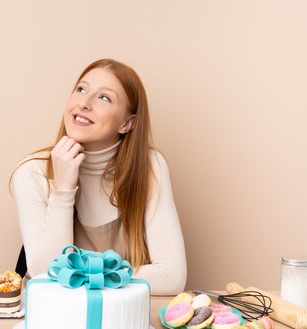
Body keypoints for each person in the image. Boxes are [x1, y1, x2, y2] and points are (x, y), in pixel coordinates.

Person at [10, 59, 186, 295]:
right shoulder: (31, 172)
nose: (83, 103)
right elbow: (46, 276)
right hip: (55, 322)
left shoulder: (150, 167)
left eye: (104, 98)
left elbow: (172, 278)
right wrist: (63, 190)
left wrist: (81, 276)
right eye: (81, 89)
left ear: (127, 123)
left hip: (123, 324)